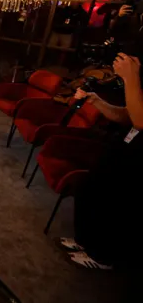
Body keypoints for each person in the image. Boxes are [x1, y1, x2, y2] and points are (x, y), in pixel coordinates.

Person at [60, 53, 142, 270]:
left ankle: (102, 256)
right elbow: (128, 115)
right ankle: (86, 241)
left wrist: (130, 78)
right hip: (124, 146)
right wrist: (94, 100)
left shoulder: (134, 79)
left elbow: (140, 120)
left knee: (116, 207)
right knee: (89, 188)